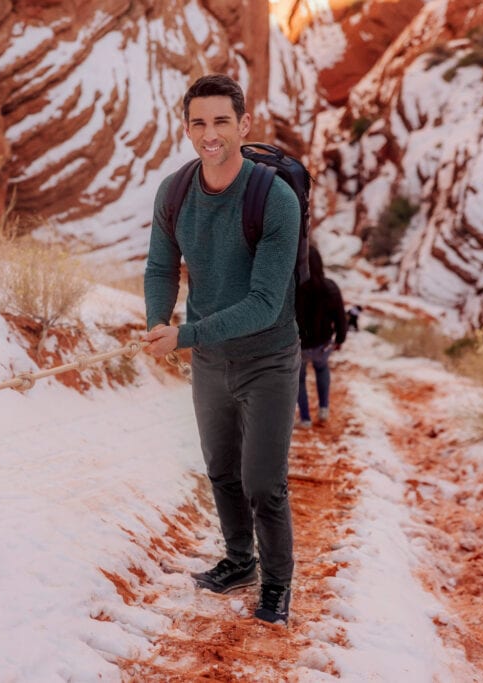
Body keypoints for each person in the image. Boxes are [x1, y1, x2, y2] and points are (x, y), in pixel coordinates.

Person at [142, 74, 300, 625]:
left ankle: (278, 585)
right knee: (220, 470)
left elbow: (262, 302)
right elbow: (162, 266)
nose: (211, 135)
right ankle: (239, 561)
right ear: (187, 128)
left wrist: (182, 336)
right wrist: (158, 320)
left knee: (263, 482)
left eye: (222, 122)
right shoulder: (175, 191)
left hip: (269, 358)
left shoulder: (273, 199)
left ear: (244, 125)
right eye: (199, 123)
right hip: (211, 360)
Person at [295, 246, 347, 427]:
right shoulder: (330, 287)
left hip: (299, 346)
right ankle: (324, 408)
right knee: (322, 369)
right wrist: (340, 339)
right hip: (322, 344)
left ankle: (305, 418)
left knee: (299, 381)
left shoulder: (293, 288)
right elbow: (340, 316)